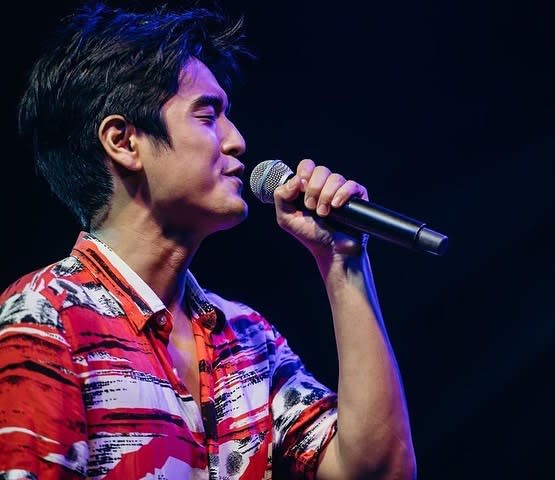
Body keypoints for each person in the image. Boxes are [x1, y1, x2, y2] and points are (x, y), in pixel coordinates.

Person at [0, 2, 416, 479]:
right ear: (124, 142)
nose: (236, 140)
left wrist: (344, 262)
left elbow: (379, 472)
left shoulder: (247, 337)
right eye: (207, 115)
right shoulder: (47, 317)